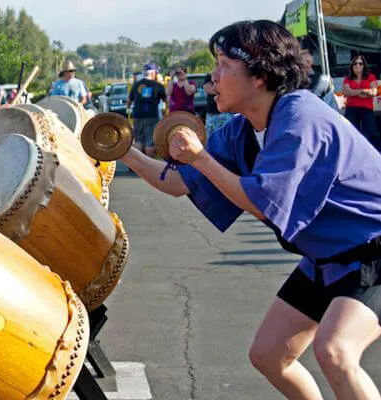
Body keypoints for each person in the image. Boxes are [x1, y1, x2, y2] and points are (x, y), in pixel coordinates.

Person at [118, 20, 381, 400]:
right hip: (329, 257)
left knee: (336, 352)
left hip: (372, 250)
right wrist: (121, 149)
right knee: (270, 355)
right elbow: (176, 181)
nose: (214, 76)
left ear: (259, 74)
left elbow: (263, 204)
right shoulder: (244, 128)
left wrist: (202, 158)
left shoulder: (300, 116)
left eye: (224, 64)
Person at [126, 62, 166, 157]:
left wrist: (128, 108)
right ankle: (149, 165)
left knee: (138, 140)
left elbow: (129, 100)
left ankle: (138, 164)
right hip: (151, 114)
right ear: (153, 73)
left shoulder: (136, 84)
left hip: (137, 114)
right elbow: (166, 99)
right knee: (150, 141)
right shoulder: (157, 85)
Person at [343, 55, 379, 151]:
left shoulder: (371, 77)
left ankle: (376, 154)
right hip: (351, 108)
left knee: (371, 132)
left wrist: (354, 92)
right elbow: (346, 92)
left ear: (364, 65)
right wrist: (363, 91)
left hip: (366, 109)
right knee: (351, 132)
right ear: (352, 66)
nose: (357, 65)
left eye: (360, 63)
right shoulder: (348, 78)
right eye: (355, 63)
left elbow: (373, 92)